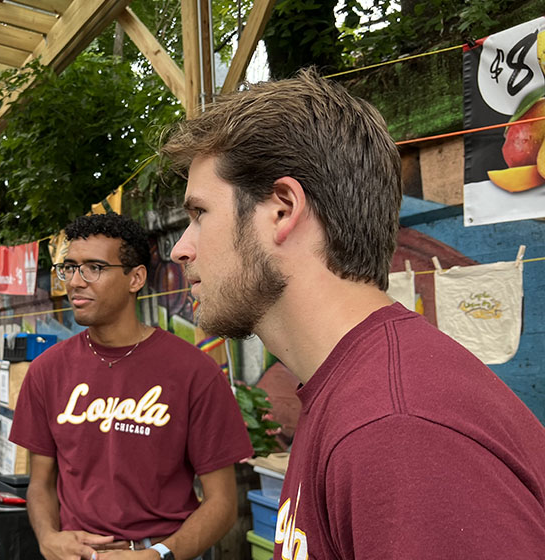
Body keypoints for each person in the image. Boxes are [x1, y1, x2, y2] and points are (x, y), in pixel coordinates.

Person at [163, 68, 545, 558]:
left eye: (200, 215)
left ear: (282, 209)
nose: (180, 249)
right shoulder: (355, 391)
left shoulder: (395, 430)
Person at [9, 213, 253, 560]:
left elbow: (223, 503)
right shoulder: (46, 371)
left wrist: (160, 555)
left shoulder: (194, 372)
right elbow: (41, 482)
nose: (76, 281)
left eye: (93, 267)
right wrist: (48, 537)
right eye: (70, 268)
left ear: (135, 277)